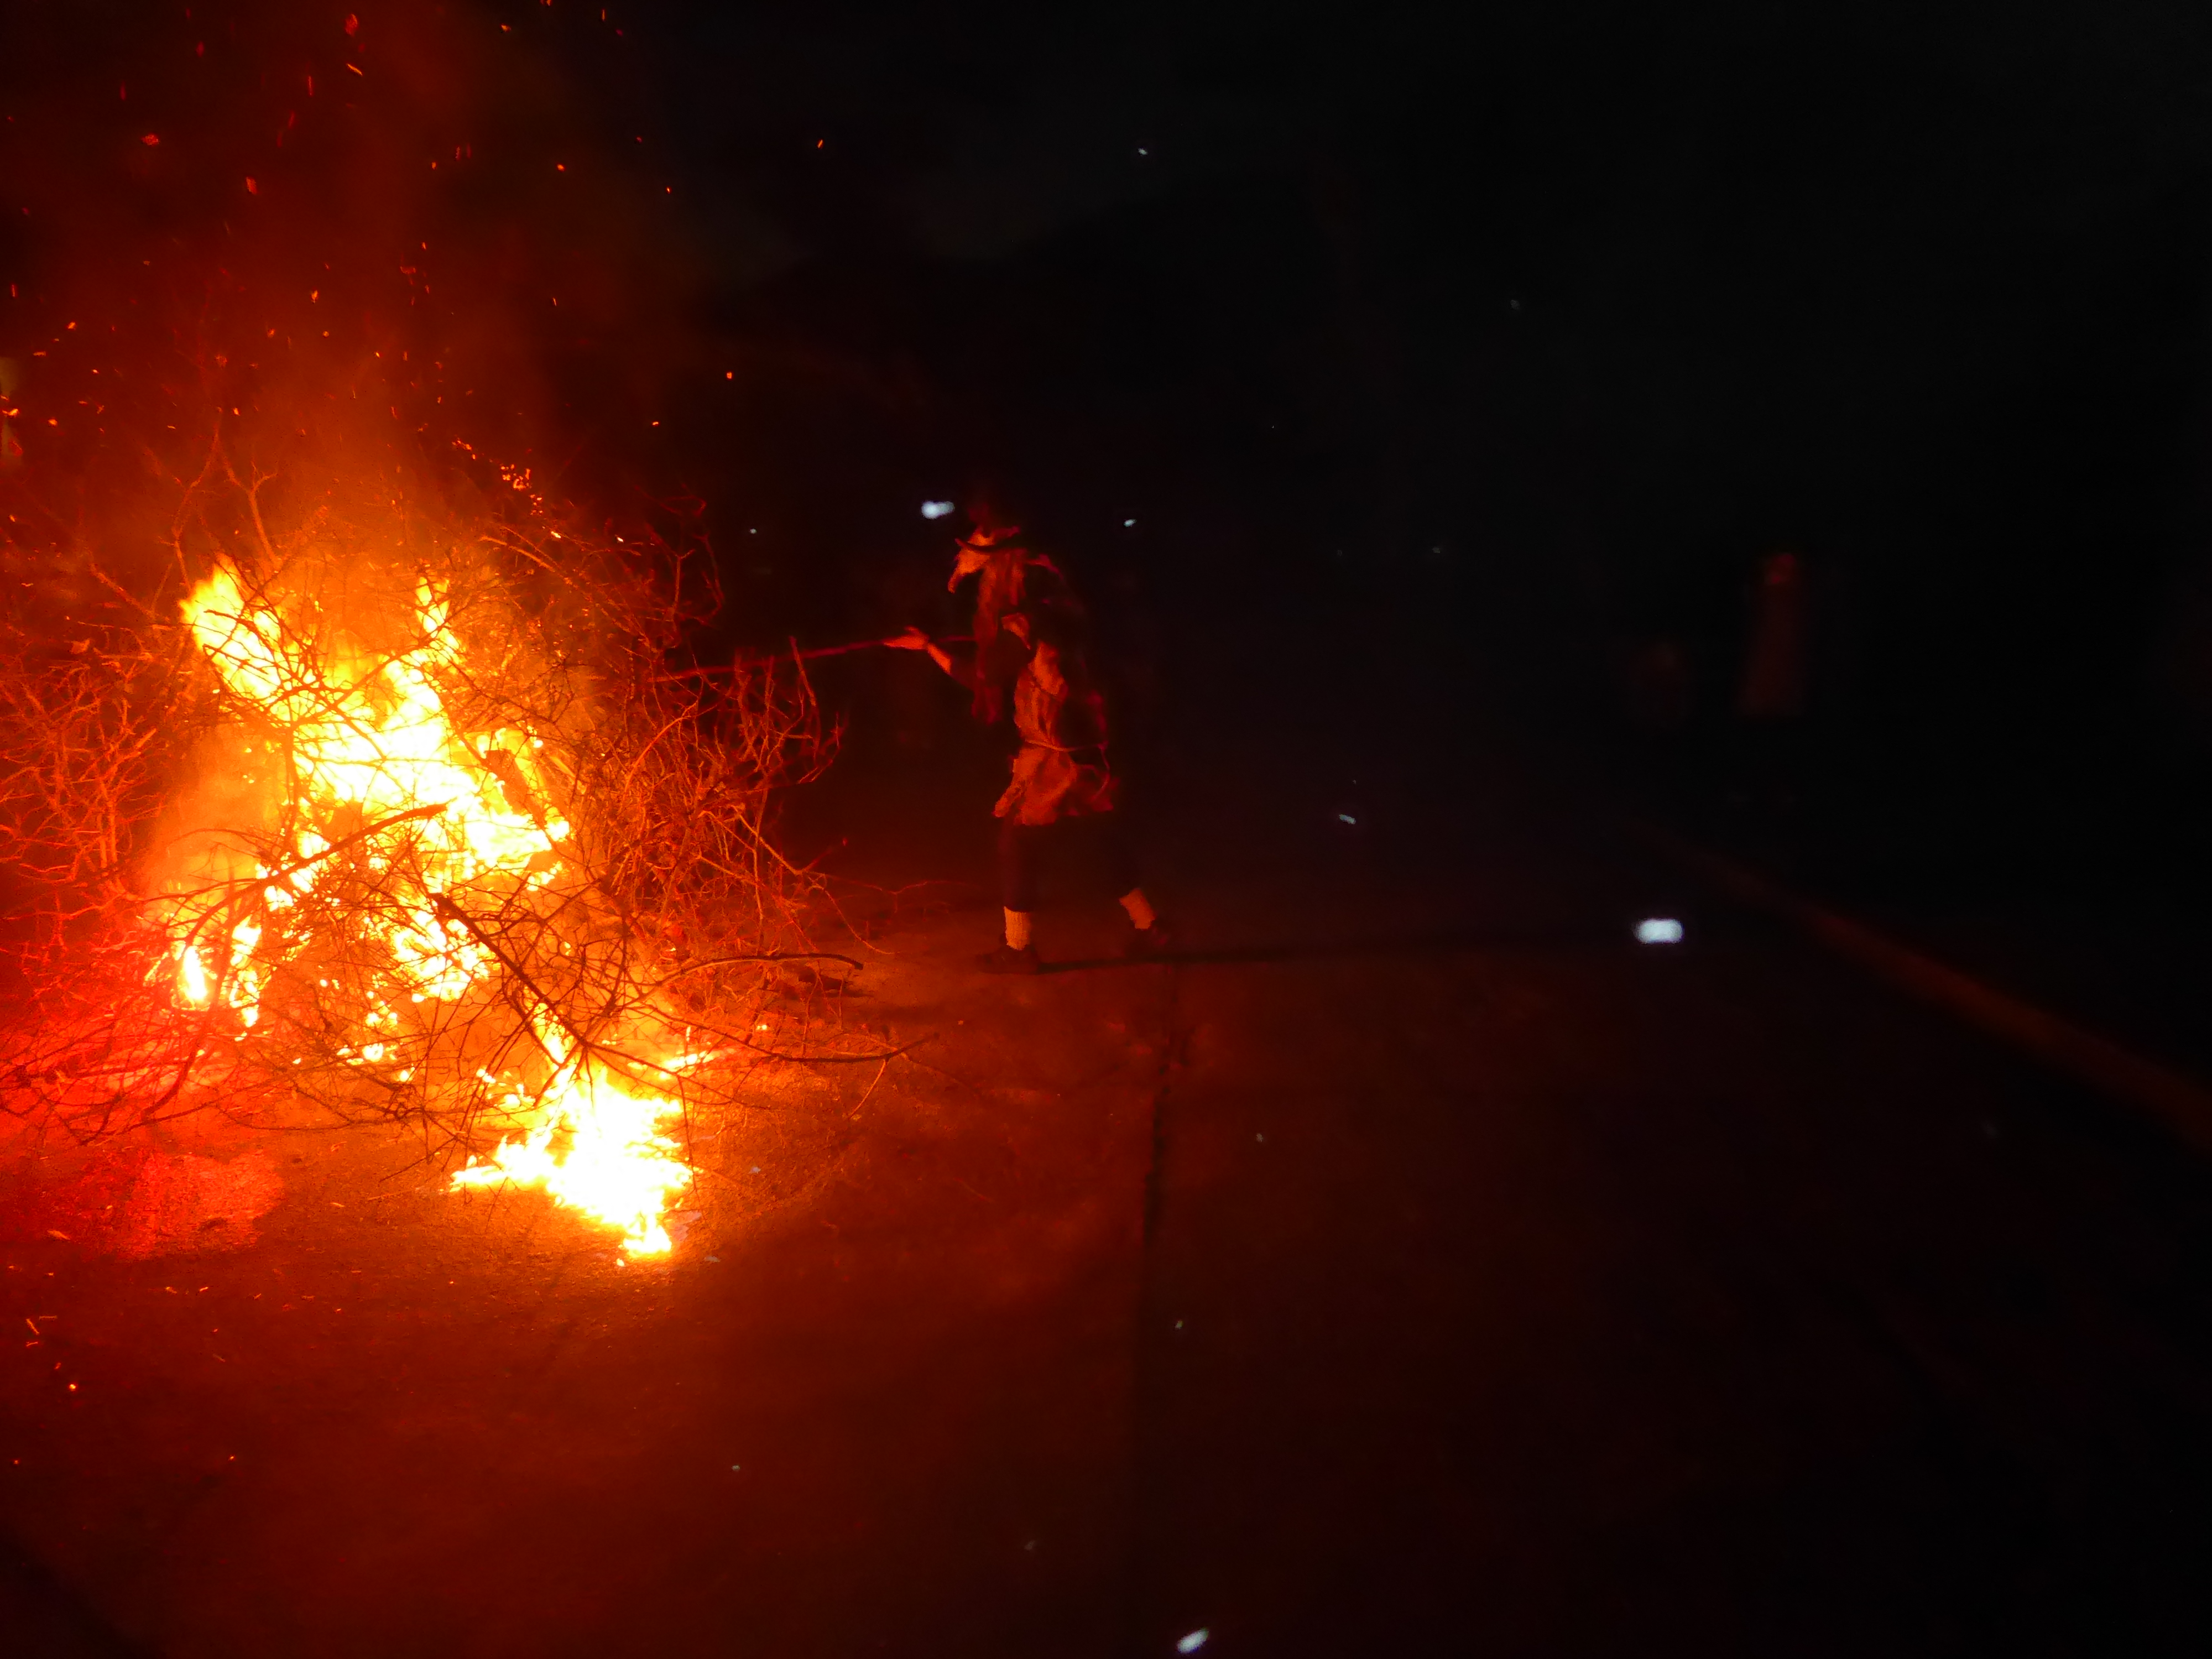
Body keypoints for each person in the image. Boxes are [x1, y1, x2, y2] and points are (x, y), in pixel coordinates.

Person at [886, 505, 1172, 973]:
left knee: (1016, 842)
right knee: (1100, 839)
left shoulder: (1027, 623)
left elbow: (981, 678)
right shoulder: (1069, 610)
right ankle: (1150, 926)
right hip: (1090, 749)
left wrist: (928, 649)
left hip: (1059, 759)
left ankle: (1019, 950)